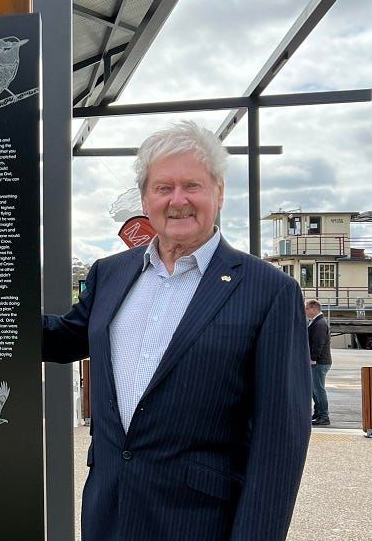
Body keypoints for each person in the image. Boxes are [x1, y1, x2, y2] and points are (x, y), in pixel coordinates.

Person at [42, 121, 311, 540]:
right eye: (163, 187)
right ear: (146, 198)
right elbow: (62, 338)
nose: (178, 200)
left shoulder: (269, 291)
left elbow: (280, 443)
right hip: (108, 514)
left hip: (198, 523)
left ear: (219, 193)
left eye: (193, 186)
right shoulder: (111, 274)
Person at [306, 299, 331, 426]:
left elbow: (318, 343)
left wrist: (313, 358)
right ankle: (318, 413)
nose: (305, 311)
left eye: (307, 309)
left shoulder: (319, 324)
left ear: (314, 309)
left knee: (318, 389)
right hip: (319, 361)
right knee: (315, 389)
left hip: (319, 361)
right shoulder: (316, 322)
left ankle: (323, 415)